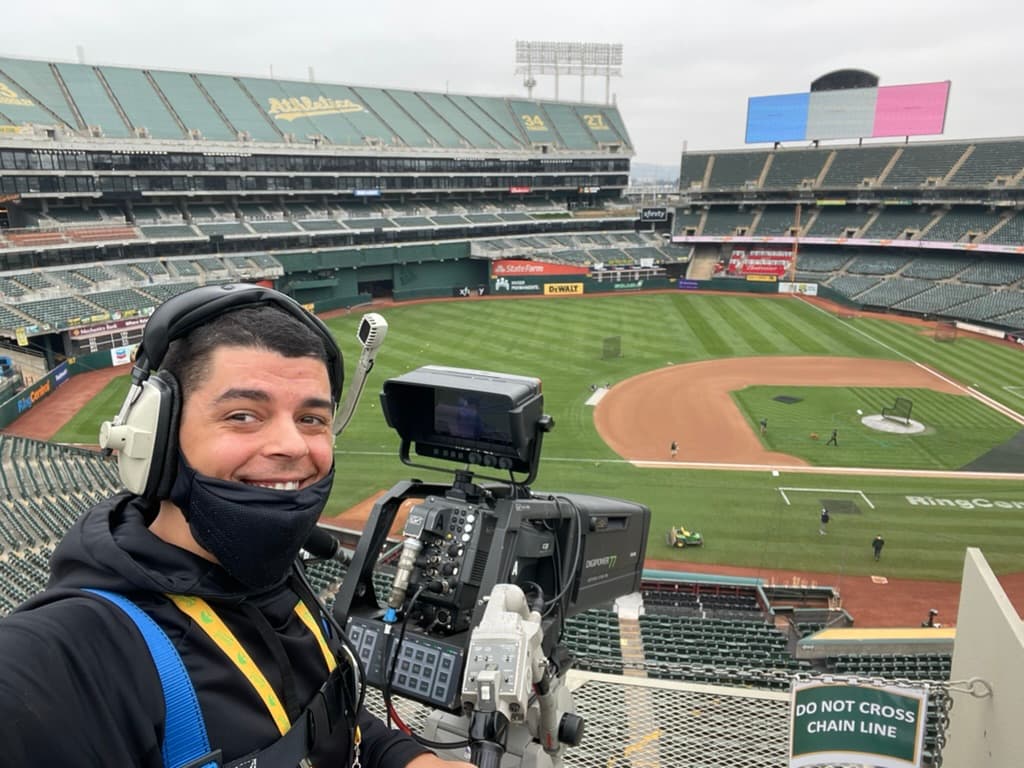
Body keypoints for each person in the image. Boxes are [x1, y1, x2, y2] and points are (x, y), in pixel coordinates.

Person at [0, 285, 472, 768]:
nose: (292, 445)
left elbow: (331, 720)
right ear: (154, 437)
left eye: (312, 418)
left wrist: (407, 759)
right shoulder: (68, 653)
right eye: (243, 415)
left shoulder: (284, 580)